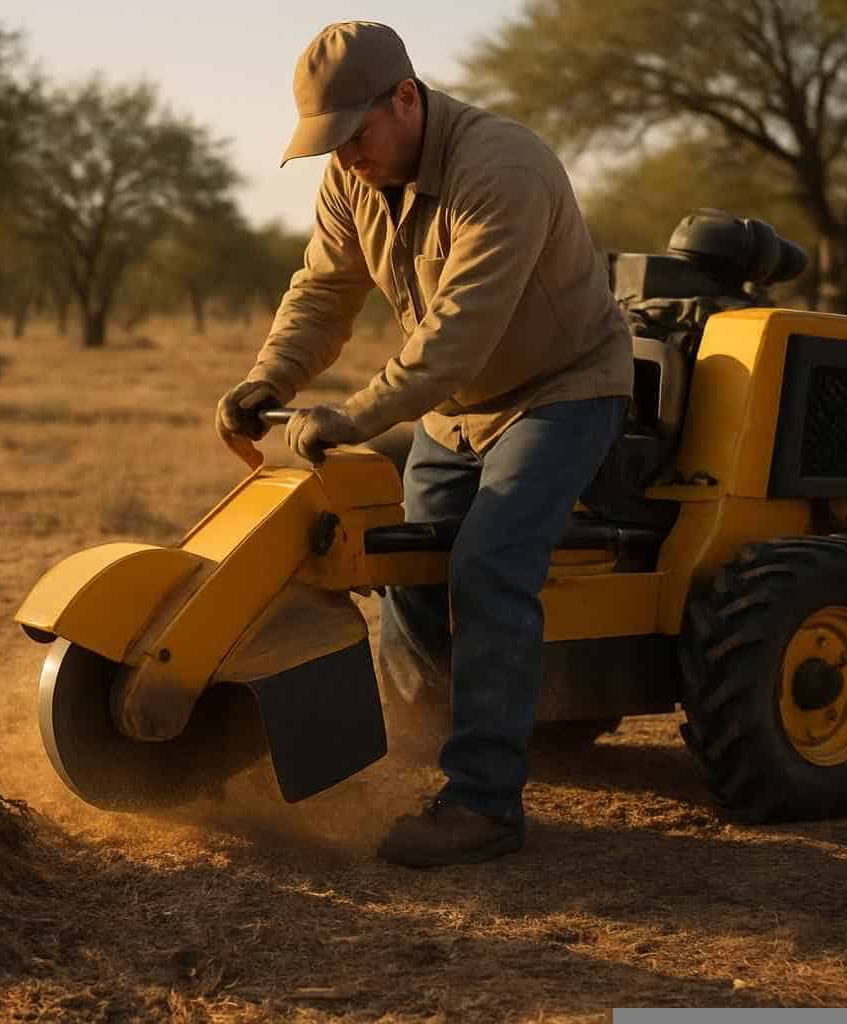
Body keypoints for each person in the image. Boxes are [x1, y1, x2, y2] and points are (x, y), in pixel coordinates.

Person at [214, 21, 633, 868]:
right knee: (400, 555)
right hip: (456, 410)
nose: (345, 157)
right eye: (329, 143)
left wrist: (353, 417)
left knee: (489, 563)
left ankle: (484, 804)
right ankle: (421, 748)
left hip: (562, 392)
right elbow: (323, 290)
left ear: (406, 98)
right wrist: (269, 379)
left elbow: (457, 337)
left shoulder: (503, 168)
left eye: (354, 134)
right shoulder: (352, 177)